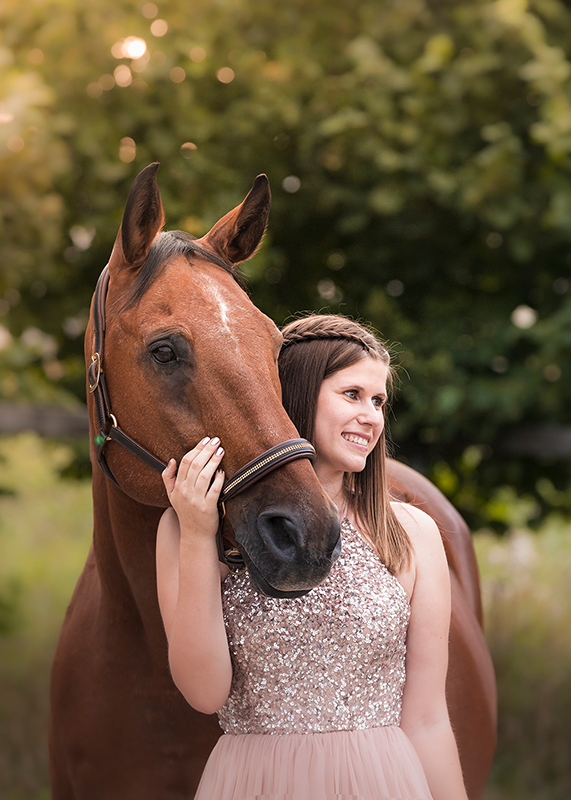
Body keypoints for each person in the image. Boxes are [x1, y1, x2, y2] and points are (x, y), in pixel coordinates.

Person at [156, 313, 469, 800]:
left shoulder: (412, 533)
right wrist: (198, 534)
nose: (372, 416)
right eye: (352, 395)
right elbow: (204, 692)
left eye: (379, 400)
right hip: (253, 785)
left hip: (381, 783)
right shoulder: (191, 527)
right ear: (299, 394)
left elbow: (427, 719)